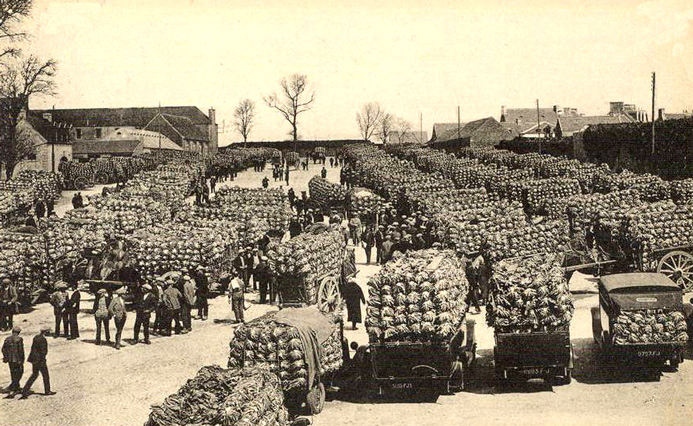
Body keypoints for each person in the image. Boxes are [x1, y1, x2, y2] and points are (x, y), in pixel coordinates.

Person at [19, 326, 55, 399]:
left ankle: (25, 390)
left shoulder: (36, 337)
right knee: (45, 376)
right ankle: (47, 391)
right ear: (46, 332)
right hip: (40, 360)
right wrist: (43, 359)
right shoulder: (43, 339)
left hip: (34, 359)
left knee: (34, 375)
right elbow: (43, 351)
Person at [2, 326, 24, 398]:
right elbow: (20, 350)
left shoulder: (7, 339)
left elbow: (3, 349)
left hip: (10, 360)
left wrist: (6, 357)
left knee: (13, 373)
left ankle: (16, 386)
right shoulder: (19, 339)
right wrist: (22, 359)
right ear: (18, 332)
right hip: (17, 360)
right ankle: (14, 388)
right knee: (19, 372)